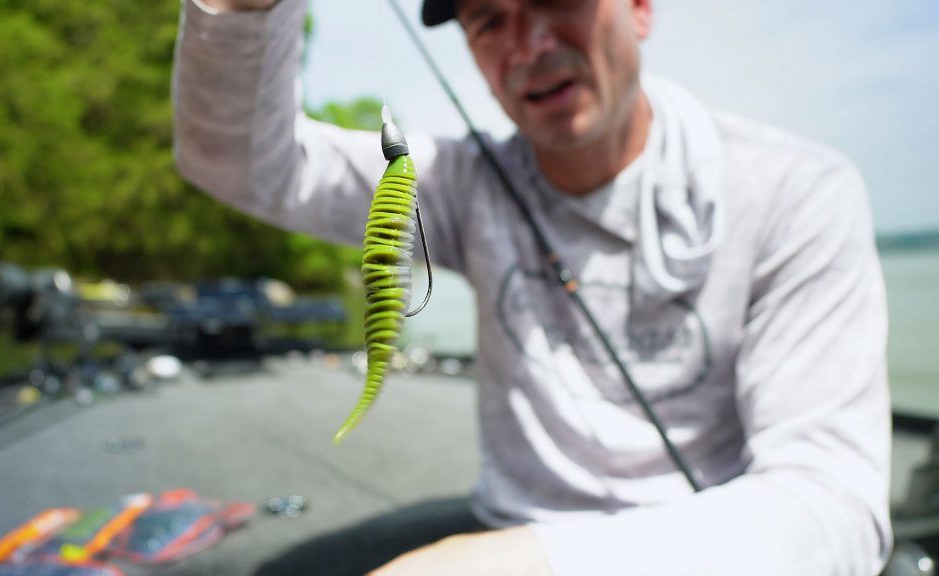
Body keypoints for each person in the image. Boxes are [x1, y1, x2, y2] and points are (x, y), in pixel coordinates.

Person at [173, 0, 893, 573]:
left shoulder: (795, 192)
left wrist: (530, 563)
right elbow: (242, 164)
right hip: (507, 525)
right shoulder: (456, 184)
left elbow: (835, 508)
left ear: (641, 8)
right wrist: (244, 7)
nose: (527, 45)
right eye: (488, 18)